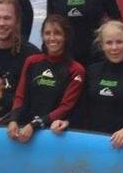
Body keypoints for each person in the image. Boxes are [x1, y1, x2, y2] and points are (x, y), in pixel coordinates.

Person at [72, 20, 123, 148]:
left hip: (122, 144)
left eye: (119, 42)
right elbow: (80, 108)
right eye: (109, 43)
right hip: (92, 141)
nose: (114, 47)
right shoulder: (92, 71)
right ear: (102, 45)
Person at [7, 15, 84, 143]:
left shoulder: (76, 70)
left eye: (57, 33)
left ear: (66, 37)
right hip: (26, 129)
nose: (52, 38)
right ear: (42, 36)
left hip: (52, 132)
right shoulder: (31, 61)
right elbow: (20, 95)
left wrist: (35, 124)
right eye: (47, 33)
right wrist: (13, 119)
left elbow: (66, 107)